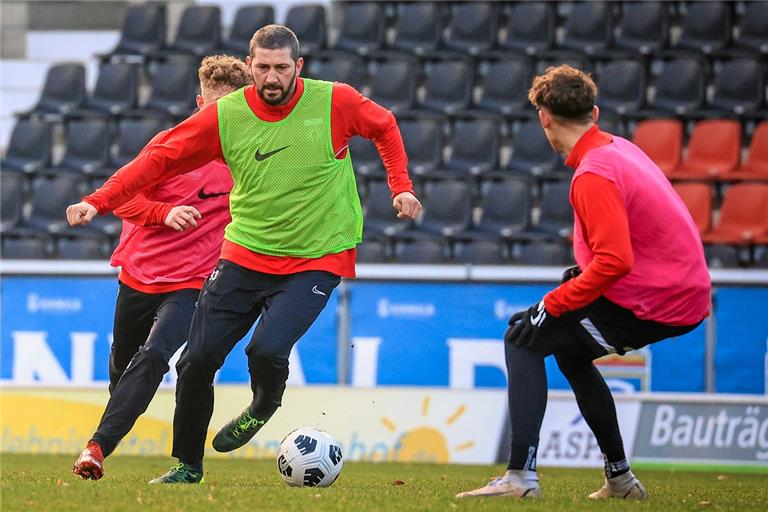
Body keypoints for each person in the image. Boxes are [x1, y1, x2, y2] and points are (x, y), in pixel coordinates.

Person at [66, 25, 421, 484]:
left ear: (299, 67)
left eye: (281, 67)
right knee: (195, 361)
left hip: (316, 256)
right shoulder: (227, 115)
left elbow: (385, 126)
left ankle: (263, 404)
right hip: (244, 253)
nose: (272, 77)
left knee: (267, 348)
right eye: (263, 67)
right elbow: (155, 159)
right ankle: (187, 466)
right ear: (250, 66)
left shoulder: (335, 101)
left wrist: (402, 187)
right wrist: (97, 201)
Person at [457, 65, 711, 500]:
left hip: (657, 300)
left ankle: (521, 478)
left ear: (544, 118)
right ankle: (621, 480)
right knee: (570, 353)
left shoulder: (594, 172)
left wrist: (553, 304)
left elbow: (615, 261)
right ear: (594, 112)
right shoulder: (619, 149)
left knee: (523, 337)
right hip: (680, 291)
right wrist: (575, 284)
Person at [71, 55, 253, 481]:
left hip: (193, 282)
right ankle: (121, 416)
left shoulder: (250, 161)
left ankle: (97, 449)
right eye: (210, 110)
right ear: (198, 103)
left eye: (228, 111)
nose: (218, 121)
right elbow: (125, 196)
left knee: (157, 355)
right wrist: (163, 212)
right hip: (138, 275)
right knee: (124, 366)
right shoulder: (172, 146)